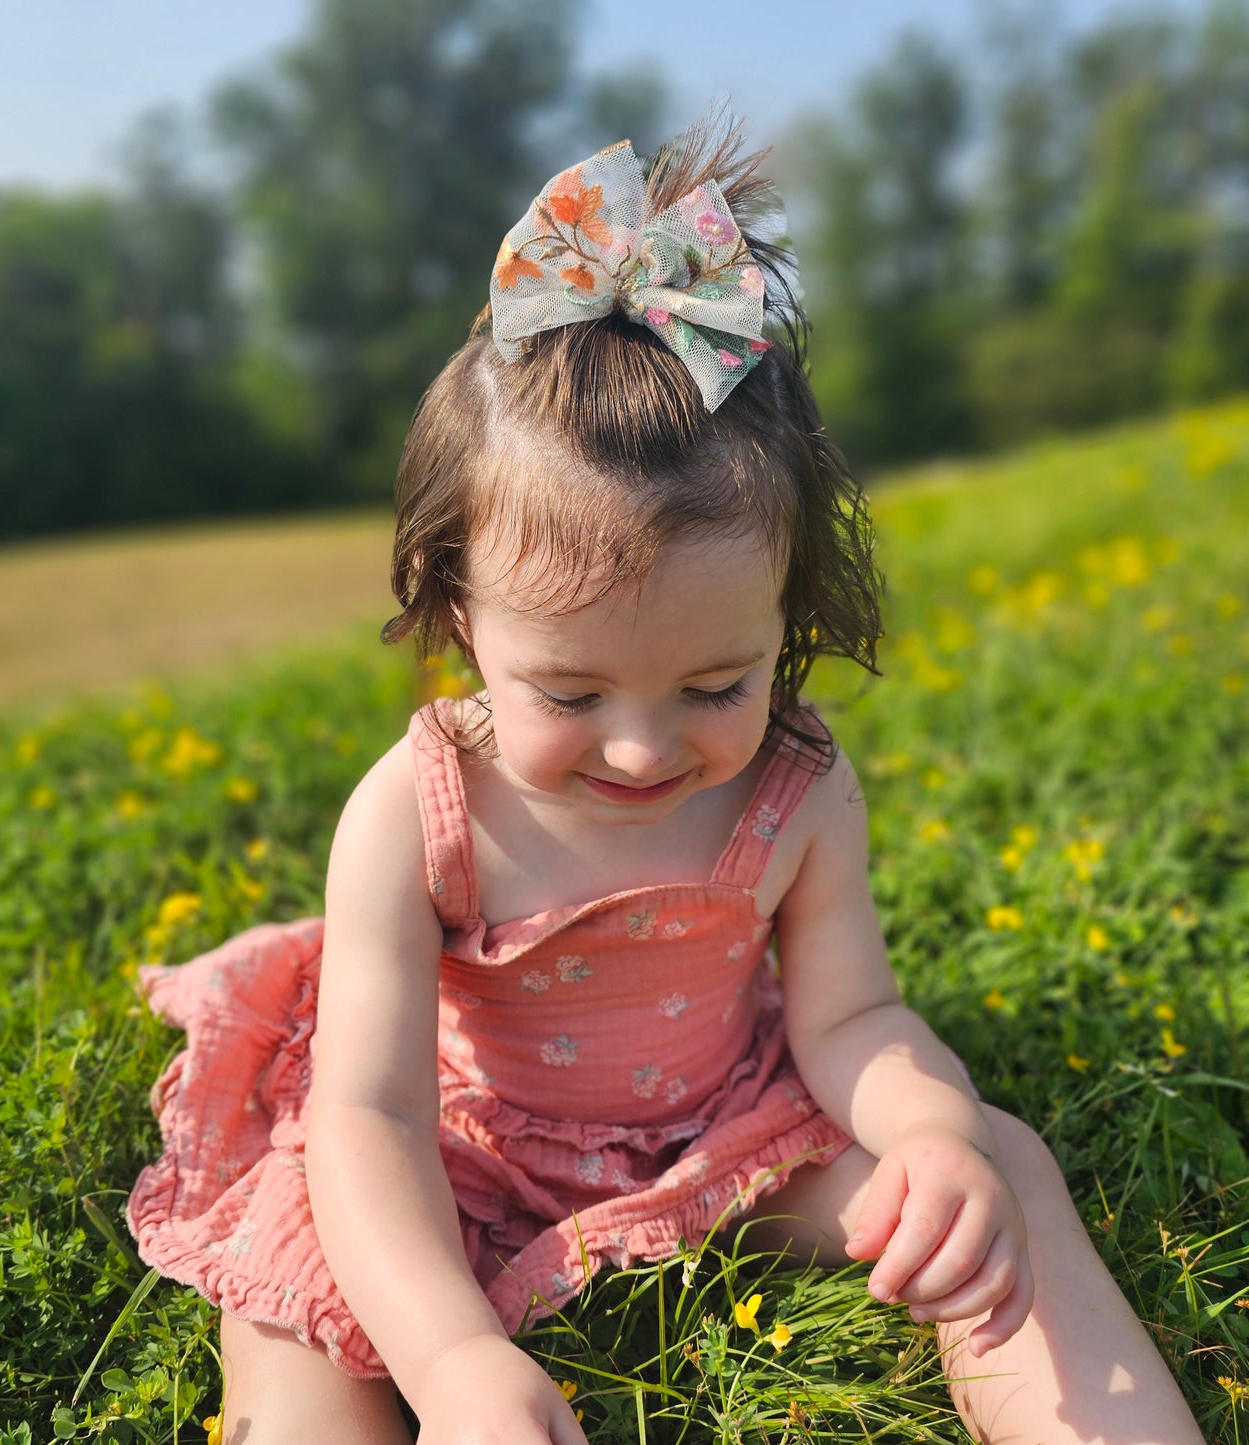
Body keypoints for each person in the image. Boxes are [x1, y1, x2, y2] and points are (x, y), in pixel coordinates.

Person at [127, 119, 1203, 1444]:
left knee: (997, 1166)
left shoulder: (794, 788)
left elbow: (854, 1016)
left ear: (786, 619)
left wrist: (927, 1133)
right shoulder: (409, 812)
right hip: (452, 1152)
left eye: (714, 686)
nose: (644, 750)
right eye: (569, 694)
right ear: (462, 619)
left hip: (721, 1133)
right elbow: (371, 1110)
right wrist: (452, 1353)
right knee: (298, 1301)